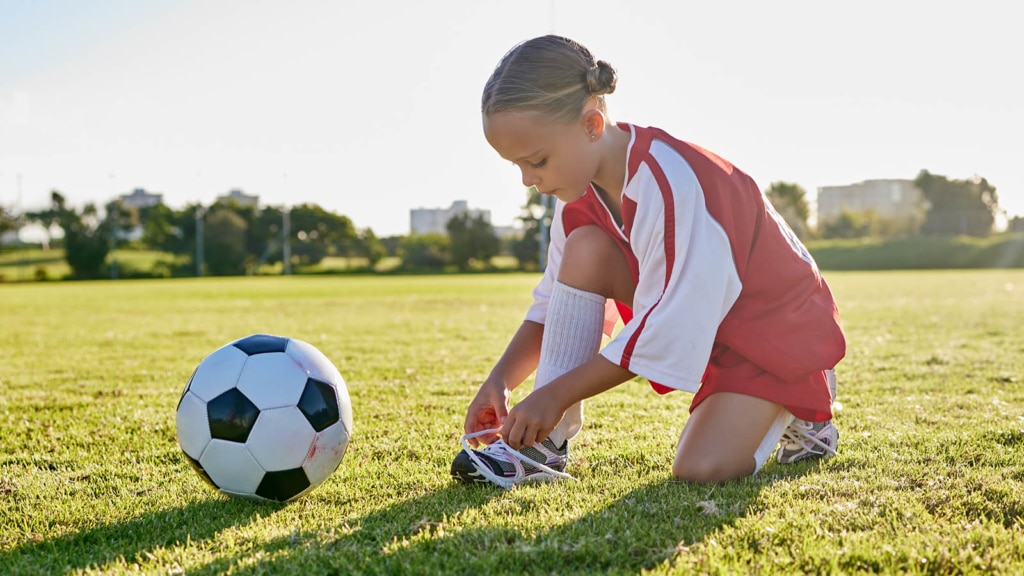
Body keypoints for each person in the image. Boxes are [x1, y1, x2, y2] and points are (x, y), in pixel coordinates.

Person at [450, 35, 846, 488]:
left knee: (699, 469)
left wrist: (553, 394)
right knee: (586, 249)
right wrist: (501, 382)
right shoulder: (576, 190)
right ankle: (545, 446)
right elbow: (550, 304)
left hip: (774, 333)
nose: (527, 179)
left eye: (536, 160)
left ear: (593, 124)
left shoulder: (674, 180)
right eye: (516, 165)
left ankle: (808, 400)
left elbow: (665, 325)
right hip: (706, 322)